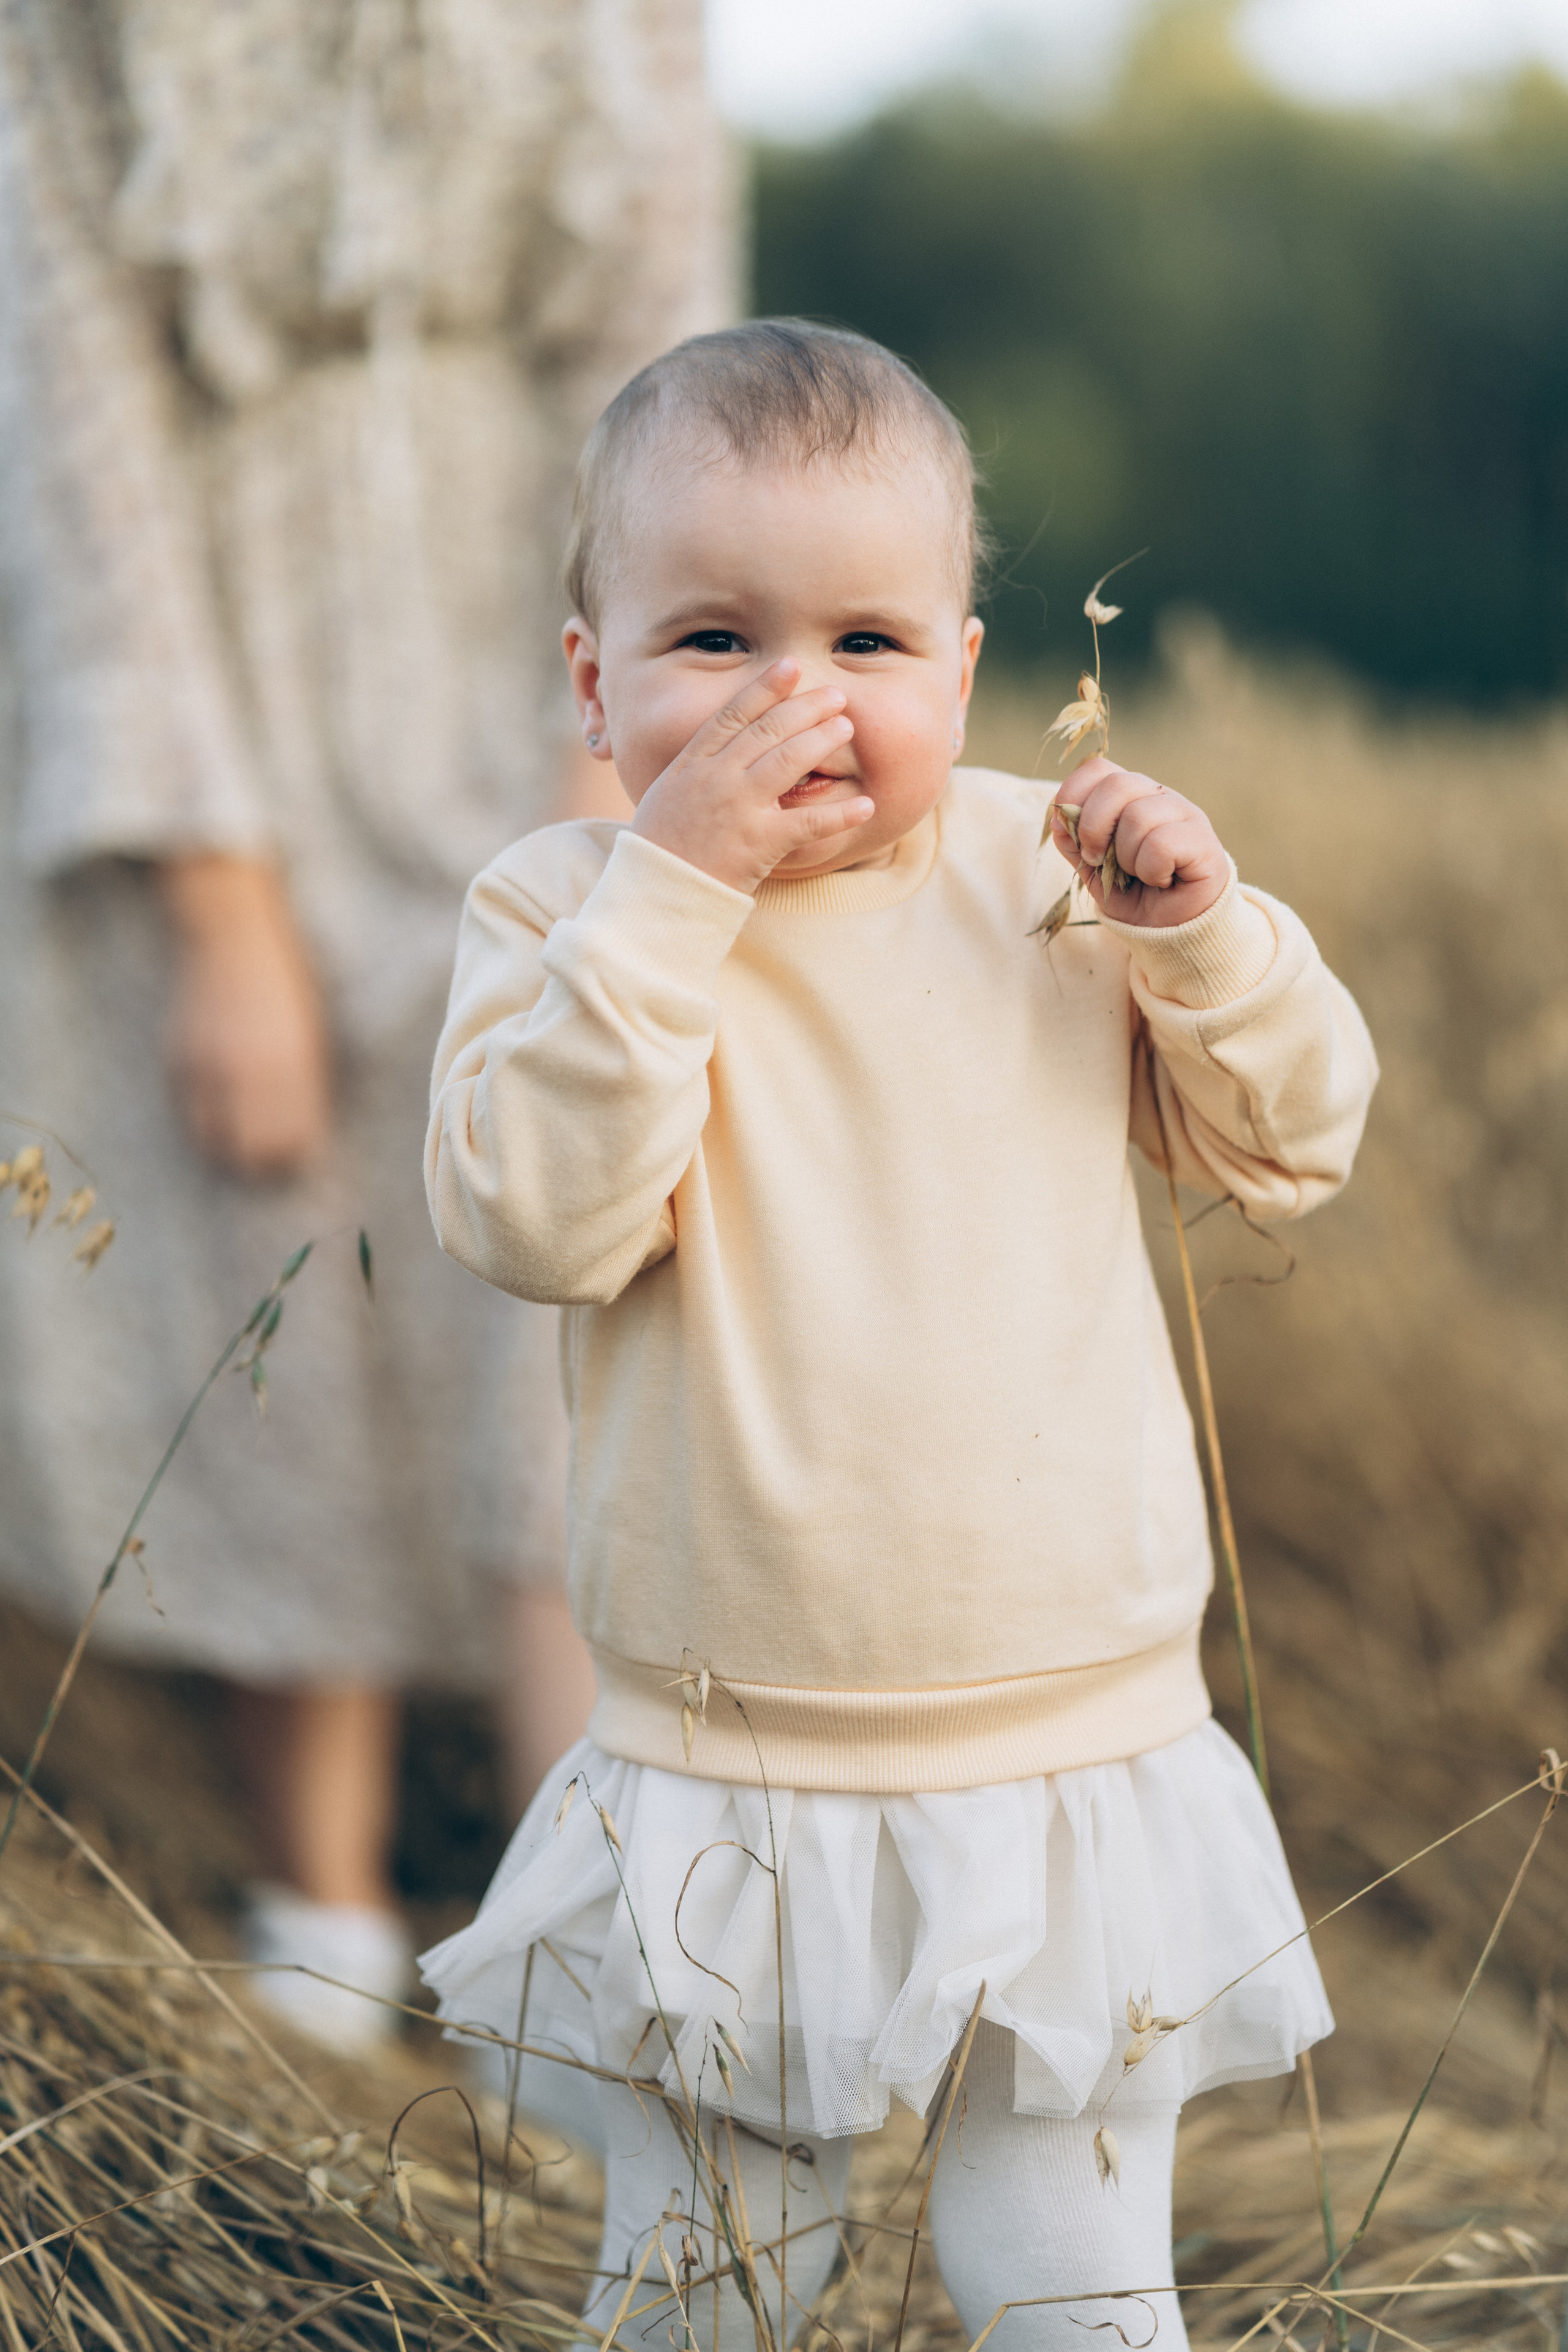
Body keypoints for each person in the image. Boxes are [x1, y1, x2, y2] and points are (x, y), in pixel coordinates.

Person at [418, 320, 1379, 2346]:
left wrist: (1203, 934)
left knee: (1074, 2281)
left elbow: (1296, 1147)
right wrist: (675, 893)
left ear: (961, 664)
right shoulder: (568, 916)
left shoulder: (1050, 887)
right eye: (713, 642)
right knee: (712, 2282)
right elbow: (536, 1219)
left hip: (1074, 1742)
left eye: (866, 642)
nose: (797, 699)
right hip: (726, 1753)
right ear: (595, 686)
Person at [0, 1, 731, 2049]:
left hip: (548, 662)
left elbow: (667, 368)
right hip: (211, 673)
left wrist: (608, 795)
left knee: (566, 1282)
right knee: (275, 1254)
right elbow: (77, 428)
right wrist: (219, 896)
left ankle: (586, 1952)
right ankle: (314, 1916)